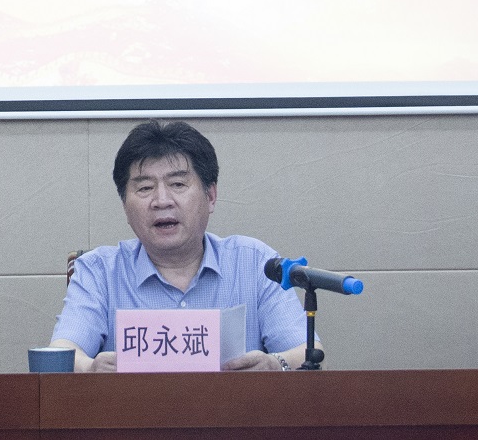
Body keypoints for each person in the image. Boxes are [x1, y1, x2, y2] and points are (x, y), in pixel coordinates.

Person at [50, 119, 322, 372]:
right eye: (144, 188)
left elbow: (309, 352)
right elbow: (60, 353)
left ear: (210, 196)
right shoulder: (99, 272)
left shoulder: (254, 263)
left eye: (178, 184)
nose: (161, 201)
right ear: (125, 205)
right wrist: (90, 369)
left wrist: (276, 364)